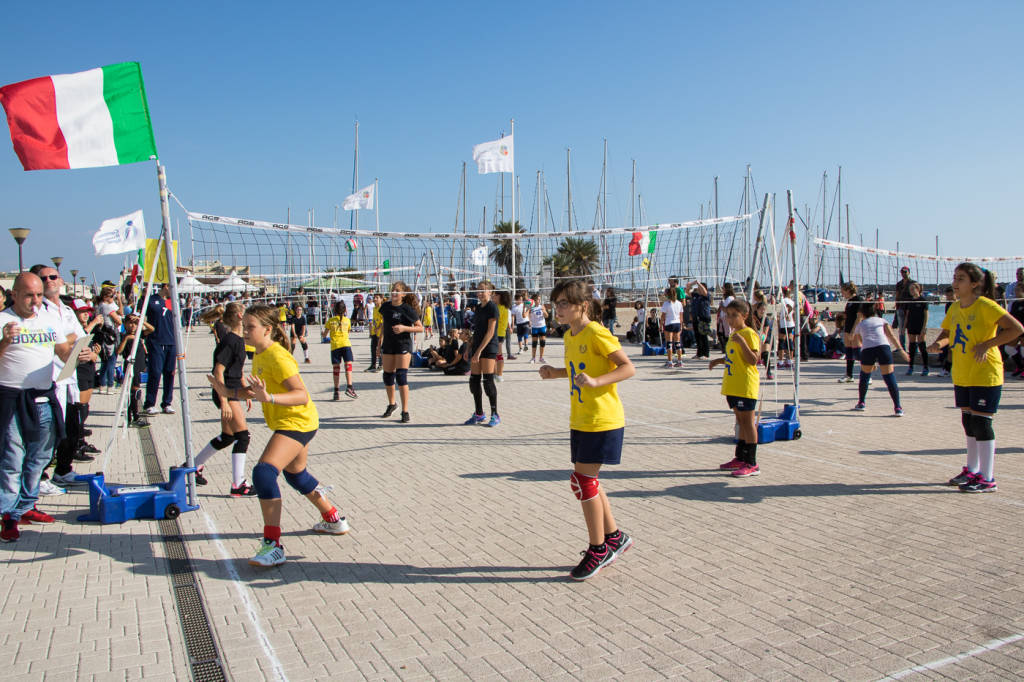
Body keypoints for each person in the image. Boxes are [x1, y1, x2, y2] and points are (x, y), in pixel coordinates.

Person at [206, 304, 346, 566]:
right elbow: (253, 392)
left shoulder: (278, 356)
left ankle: (273, 545)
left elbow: (301, 394)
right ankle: (333, 519)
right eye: (244, 326)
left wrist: (268, 397)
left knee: (263, 473)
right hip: (295, 421)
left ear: (267, 329)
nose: (245, 331)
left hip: (297, 421)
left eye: (251, 327)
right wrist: (226, 393)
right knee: (296, 474)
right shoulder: (258, 354)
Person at [538, 279, 635, 581]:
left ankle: (598, 549)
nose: (558, 309)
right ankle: (614, 537)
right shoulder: (570, 335)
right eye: (556, 304)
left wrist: (596, 382)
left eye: (564, 303)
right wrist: (556, 373)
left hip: (603, 419)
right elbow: (578, 367)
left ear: (582, 305)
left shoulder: (596, 332)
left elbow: (627, 367)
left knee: (582, 482)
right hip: (581, 418)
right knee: (588, 481)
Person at [928, 263, 1024, 493]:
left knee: (982, 423)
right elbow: (948, 334)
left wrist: (987, 344)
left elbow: (1016, 329)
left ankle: (988, 478)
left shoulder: (986, 306)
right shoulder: (954, 307)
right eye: (954, 277)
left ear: (974, 284)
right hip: (962, 372)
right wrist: (937, 344)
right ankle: (972, 469)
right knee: (968, 422)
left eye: (960, 278)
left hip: (985, 372)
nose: (955, 282)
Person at [0, 273, 73, 541]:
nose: (35, 301)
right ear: (15, 294)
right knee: (12, 457)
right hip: (10, 396)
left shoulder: (49, 319)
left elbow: (63, 352)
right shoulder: (3, 320)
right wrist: (5, 341)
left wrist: (81, 353)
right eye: (29, 295)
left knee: (41, 455)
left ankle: (26, 505)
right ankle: (7, 514)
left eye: (39, 295)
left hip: (42, 394)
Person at [192, 303, 255, 496]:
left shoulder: (238, 339)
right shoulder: (229, 340)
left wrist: (246, 390)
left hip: (235, 390)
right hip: (226, 391)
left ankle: (192, 467)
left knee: (228, 437)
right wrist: (225, 401)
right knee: (243, 436)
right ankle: (238, 484)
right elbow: (218, 372)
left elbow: (237, 368)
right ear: (239, 315)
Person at [709, 300, 762, 477]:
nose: (730, 319)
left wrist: (743, 343)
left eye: (734, 315)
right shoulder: (734, 334)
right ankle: (740, 457)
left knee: (748, 423)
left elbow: (753, 359)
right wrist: (718, 361)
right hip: (732, 385)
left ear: (744, 316)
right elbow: (733, 358)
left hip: (745, 385)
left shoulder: (748, 334)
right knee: (740, 422)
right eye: (728, 315)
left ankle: (752, 462)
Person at [851, 302, 907, 415]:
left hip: (868, 350)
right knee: (889, 378)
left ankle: (861, 402)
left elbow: (854, 337)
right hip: (883, 348)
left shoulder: (861, 324)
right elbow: (891, 336)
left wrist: (858, 319)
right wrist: (901, 351)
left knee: (865, 377)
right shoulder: (882, 320)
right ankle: (898, 407)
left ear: (861, 313)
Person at [378, 282, 423, 423]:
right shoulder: (385, 307)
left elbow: (420, 328)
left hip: (403, 344)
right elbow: (384, 325)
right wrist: (379, 343)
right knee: (387, 376)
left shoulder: (407, 309)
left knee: (401, 377)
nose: (394, 293)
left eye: (397, 291)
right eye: (393, 290)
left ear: (403, 294)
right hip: (388, 345)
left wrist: (404, 328)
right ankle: (392, 404)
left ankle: (405, 411)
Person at [463, 281, 501, 427]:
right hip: (477, 346)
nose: (480, 293)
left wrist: (478, 352)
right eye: (478, 290)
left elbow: (491, 332)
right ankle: (479, 413)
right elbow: (476, 331)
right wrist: (468, 348)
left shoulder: (492, 307)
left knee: (488, 381)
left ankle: (495, 414)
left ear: (490, 292)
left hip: (489, 347)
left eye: (483, 290)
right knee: (474, 381)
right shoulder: (478, 308)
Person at [144, 283, 178, 415]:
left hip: (171, 341)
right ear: (165, 286)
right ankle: (150, 403)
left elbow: (174, 320)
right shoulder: (151, 300)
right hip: (156, 341)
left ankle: (167, 403)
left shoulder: (171, 302)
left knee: (170, 373)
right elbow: (142, 316)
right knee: (156, 372)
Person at [115, 312, 150, 429]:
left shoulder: (139, 334)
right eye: (130, 323)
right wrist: (126, 339)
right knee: (133, 393)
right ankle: (134, 417)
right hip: (130, 367)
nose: (132, 326)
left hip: (139, 367)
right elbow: (118, 351)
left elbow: (151, 329)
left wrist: (141, 320)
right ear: (125, 324)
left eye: (135, 324)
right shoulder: (123, 335)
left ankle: (132, 417)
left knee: (135, 393)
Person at [323, 300, 357, 401]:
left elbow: (324, 335)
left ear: (334, 310)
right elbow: (348, 331)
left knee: (336, 369)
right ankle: (349, 386)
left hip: (335, 346)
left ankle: (336, 391)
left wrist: (323, 334)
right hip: (346, 345)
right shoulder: (347, 320)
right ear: (345, 310)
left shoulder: (331, 320)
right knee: (348, 366)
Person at [838, 282, 864, 382]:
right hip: (847, 328)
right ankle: (849, 375)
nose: (842, 293)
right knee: (849, 352)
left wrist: (854, 330)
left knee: (858, 352)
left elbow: (859, 317)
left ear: (848, 290)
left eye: (843, 291)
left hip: (856, 329)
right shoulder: (849, 301)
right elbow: (848, 315)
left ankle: (867, 374)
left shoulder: (859, 300)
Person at [903, 282, 929, 376]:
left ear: (918, 289)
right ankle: (910, 367)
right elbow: (907, 315)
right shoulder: (910, 301)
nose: (911, 291)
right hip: (911, 325)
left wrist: (924, 328)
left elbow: (926, 316)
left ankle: (925, 367)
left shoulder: (923, 300)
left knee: (922, 346)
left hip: (920, 326)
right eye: (910, 289)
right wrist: (904, 327)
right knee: (912, 346)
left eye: (913, 289)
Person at [686, 281, 712, 359]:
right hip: (696, 318)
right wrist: (691, 284)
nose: (698, 289)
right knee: (697, 336)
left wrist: (698, 283)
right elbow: (687, 291)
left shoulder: (706, 296)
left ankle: (706, 354)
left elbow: (704, 291)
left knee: (703, 336)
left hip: (703, 318)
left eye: (700, 288)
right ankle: (699, 353)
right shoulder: (696, 296)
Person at [660, 287, 684, 368]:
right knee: (678, 343)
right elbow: (681, 316)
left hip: (669, 323)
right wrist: (681, 325)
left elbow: (663, 316)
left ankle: (670, 362)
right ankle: (680, 361)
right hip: (677, 323)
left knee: (669, 343)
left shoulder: (666, 304)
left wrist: (660, 325)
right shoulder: (679, 303)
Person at [893, 265, 917, 349]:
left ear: (909, 272)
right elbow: (897, 295)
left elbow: (916, 295)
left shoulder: (913, 283)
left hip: (910, 308)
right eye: (902, 272)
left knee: (911, 328)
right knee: (901, 329)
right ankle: (902, 347)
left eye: (905, 272)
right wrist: (896, 305)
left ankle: (913, 347)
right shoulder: (899, 284)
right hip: (901, 307)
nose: (903, 273)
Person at [494, 290, 512, 381]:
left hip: (498, 334)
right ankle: (495, 373)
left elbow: (494, 319)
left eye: (496, 295)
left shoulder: (501, 307)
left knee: (498, 354)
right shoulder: (497, 306)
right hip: (496, 333)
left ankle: (499, 374)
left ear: (500, 297)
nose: (494, 296)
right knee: (494, 355)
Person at [938, 286, 955, 377]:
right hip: (951, 329)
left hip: (959, 330)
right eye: (947, 295)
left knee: (952, 350)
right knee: (950, 350)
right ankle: (947, 369)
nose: (949, 297)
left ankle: (948, 369)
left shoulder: (959, 304)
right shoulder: (948, 305)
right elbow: (947, 318)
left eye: (950, 295)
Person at [528, 294, 549, 364]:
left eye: (540, 299)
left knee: (542, 342)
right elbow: (528, 316)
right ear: (534, 300)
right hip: (534, 327)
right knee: (534, 343)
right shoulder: (531, 308)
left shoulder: (542, 306)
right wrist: (529, 321)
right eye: (538, 299)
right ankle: (533, 358)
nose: (539, 301)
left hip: (542, 326)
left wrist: (544, 311)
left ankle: (541, 358)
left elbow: (546, 316)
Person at [365, 293, 383, 372]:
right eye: (374, 298)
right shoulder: (374, 308)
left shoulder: (382, 308)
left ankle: (381, 365)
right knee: (373, 348)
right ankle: (373, 365)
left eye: (377, 298)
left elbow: (383, 322)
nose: (375, 299)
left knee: (381, 348)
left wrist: (379, 328)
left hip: (381, 332)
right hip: (374, 331)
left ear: (381, 299)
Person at [715, 283, 736, 351]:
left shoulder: (730, 298)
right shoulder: (727, 298)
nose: (722, 290)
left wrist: (721, 305)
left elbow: (727, 309)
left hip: (727, 319)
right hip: (724, 319)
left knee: (727, 334)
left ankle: (728, 348)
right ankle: (725, 348)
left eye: (723, 288)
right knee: (723, 334)